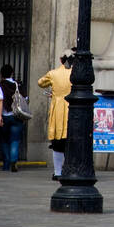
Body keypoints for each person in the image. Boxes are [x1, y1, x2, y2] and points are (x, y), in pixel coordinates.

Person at [38, 53, 72, 181]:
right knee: (71, 140)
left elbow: (40, 82)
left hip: (58, 108)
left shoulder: (53, 73)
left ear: (60, 60)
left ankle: (58, 171)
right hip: (72, 108)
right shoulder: (75, 73)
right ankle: (69, 169)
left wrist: (55, 91)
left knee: (57, 141)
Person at [0, 63, 25, 173]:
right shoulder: (17, 84)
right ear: (12, 73)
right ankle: (14, 160)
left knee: (4, 140)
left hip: (6, 116)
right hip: (16, 116)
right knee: (15, 140)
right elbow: (25, 98)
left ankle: (6, 164)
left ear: (1, 74)